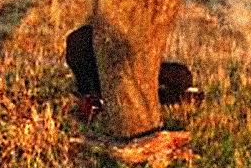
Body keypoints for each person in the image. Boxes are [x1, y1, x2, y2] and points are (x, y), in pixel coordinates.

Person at [64, 23, 199, 121]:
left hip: (111, 70)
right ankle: (185, 95)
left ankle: (185, 95)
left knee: (179, 76)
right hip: (111, 75)